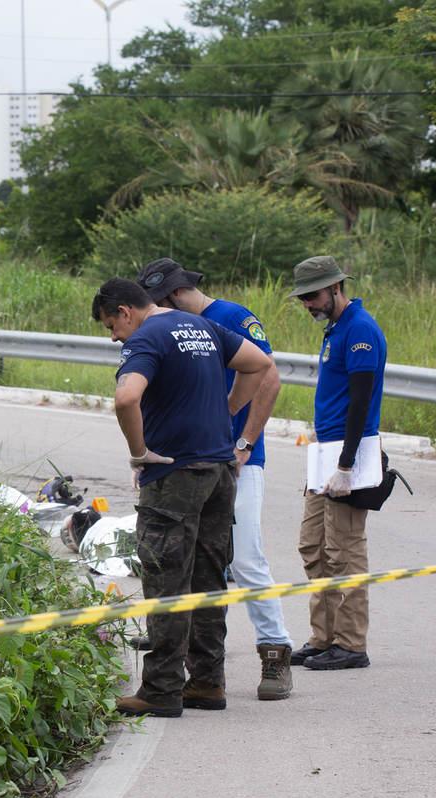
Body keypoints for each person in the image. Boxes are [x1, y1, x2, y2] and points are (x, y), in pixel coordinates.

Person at [92, 274, 272, 717]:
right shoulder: (202, 326)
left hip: (174, 474)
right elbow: (259, 363)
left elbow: (126, 399)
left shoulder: (146, 337)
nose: (114, 337)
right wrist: (228, 410)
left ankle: (161, 689)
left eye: (111, 326)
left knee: (166, 580)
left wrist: (139, 453)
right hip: (218, 472)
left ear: (125, 311)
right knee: (209, 581)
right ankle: (208, 682)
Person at [142, 259, 294, 701]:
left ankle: (275, 650)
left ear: (173, 296)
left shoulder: (230, 317)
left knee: (244, 558)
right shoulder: (178, 328)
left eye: (157, 305)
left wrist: (243, 439)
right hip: (194, 462)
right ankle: (197, 667)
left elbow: (268, 376)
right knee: (195, 561)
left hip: (238, 459)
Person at [288, 256, 386, 671]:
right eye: (303, 298)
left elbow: (361, 402)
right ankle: (323, 637)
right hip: (325, 452)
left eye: (312, 296)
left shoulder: (360, 329)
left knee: (344, 549)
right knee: (313, 546)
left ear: (335, 288)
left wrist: (345, 466)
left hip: (348, 454)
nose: (307, 304)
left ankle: (350, 643)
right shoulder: (335, 328)